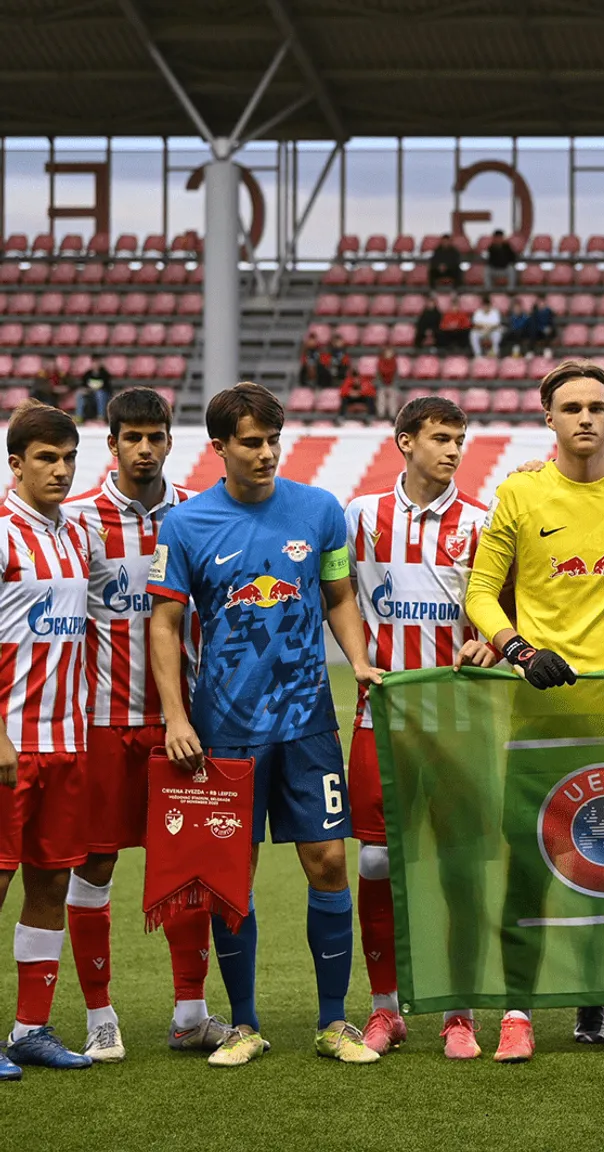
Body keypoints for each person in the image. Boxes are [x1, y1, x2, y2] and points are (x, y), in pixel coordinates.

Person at [146, 383, 384, 1067]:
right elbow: (164, 625)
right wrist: (175, 716)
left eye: (272, 439)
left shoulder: (319, 509)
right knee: (231, 875)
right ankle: (244, 1024)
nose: (266, 453)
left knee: (329, 861)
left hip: (308, 722)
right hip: (225, 729)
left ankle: (334, 1022)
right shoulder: (188, 524)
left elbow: (338, 593)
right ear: (219, 447)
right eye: (250, 442)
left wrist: (359, 660)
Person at [461, 361, 604, 1063]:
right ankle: (518, 1015)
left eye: (597, 407)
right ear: (548, 419)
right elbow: (480, 593)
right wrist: (519, 650)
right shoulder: (519, 493)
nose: (585, 417)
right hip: (541, 714)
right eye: (571, 407)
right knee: (530, 867)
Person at [339, 397, 498, 1059]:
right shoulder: (360, 517)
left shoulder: (483, 523)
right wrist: (356, 659)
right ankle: (384, 1009)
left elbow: (501, 612)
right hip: (383, 714)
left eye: (459, 439)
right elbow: (336, 592)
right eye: (440, 438)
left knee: (459, 867)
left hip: (458, 720)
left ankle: (458, 1014)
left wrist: (487, 644)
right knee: (376, 859)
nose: (453, 450)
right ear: (405, 441)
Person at [61, 388, 211, 1064]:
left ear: (170, 443)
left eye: (155, 437)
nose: (144, 449)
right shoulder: (78, 522)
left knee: (186, 866)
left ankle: (191, 1011)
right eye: (133, 438)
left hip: (183, 723)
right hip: (101, 722)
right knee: (94, 863)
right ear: (112, 444)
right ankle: (100, 1016)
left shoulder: (198, 516)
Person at [0, 403, 97, 1077]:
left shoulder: (73, 535)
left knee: (49, 882)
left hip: (67, 741)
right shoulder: (3, 534)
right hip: (8, 745)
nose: (60, 470)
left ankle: (29, 1028)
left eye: (67, 458)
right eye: (45, 458)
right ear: (15, 464)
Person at [75, 355, 110, 423]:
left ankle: (101, 416)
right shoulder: (87, 374)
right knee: (79, 394)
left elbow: (107, 388)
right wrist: (85, 390)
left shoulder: (104, 374)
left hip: (102, 395)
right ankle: (79, 416)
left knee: (100, 393)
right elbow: (83, 386)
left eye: (97, 362)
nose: (95, 365)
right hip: (90, 394)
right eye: (94, 363)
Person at [482, 229, 518, 293]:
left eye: (500, 237)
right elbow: (489, 261)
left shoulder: (507, 247)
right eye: (497, 237)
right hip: (494, 269)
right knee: (486, 269)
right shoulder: (491, 248)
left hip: (504, 269)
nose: (498, 239)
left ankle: (510, 290)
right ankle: (488, 289)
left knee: (511, 268)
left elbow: (513, 258)